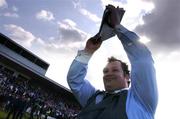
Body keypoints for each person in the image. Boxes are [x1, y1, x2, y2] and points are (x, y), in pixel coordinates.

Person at [67, 5, 158, 119]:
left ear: (127, 76)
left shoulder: (140, 100)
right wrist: (87, 51)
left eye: (115, 70)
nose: (108, 74)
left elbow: (143, 59)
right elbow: (74, 81)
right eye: (105, 71)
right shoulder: (93, 97)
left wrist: (117, 26)